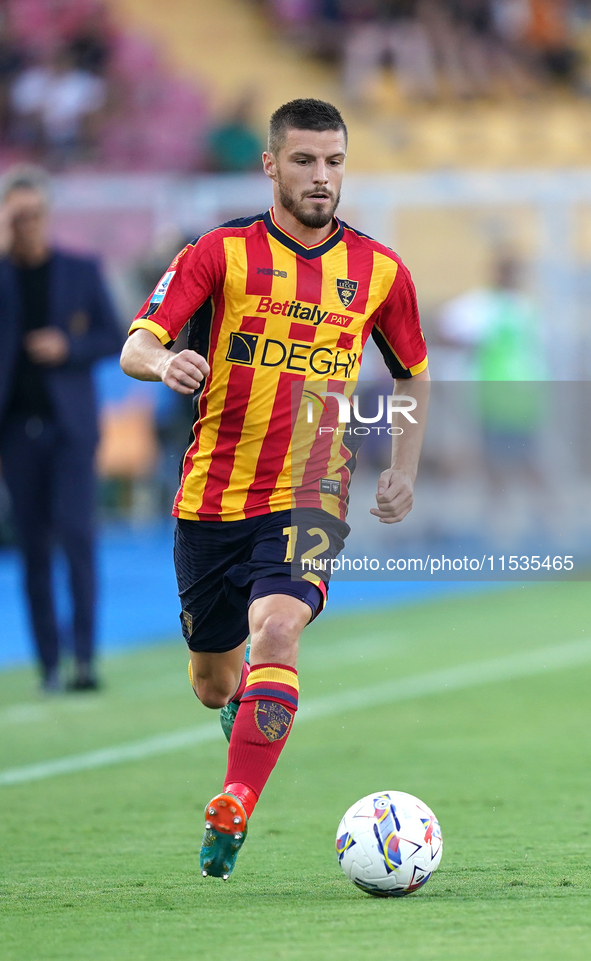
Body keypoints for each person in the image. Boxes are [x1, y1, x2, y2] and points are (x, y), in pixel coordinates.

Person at [120, 98, 429, 880]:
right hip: (212, 497)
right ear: (270, 166)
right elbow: (137, 343)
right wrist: (166, 364)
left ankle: (234, 802)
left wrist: (403, 466)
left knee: (278, 629)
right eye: (303, 161)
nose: (320, 177)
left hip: (312, 486)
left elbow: (412, 370)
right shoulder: (216, 254)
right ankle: (243, 712)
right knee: (213, 681)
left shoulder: (381, 270)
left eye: (332, 162)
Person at [0, 165, 122, 691]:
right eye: (17, 215)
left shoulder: (79, 269)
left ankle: (84, 659)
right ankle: (48, 663)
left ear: (48, 215)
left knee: (76, 537)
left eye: (35, 214)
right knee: (31, 548)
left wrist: (66, 347)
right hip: (14, 430)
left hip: (71, 427)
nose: (27, 224)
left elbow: (115, 336)